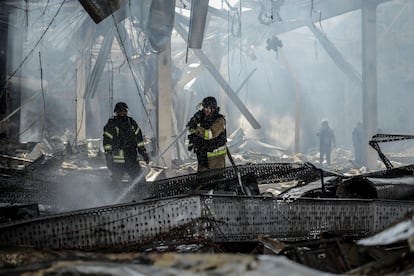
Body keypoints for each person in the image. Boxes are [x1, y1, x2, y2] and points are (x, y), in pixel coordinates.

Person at [103, 102, 150, 184]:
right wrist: (109, 155)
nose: (122, 113)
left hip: (131, 159)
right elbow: (107, 142)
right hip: (119, 162)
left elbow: (139, 140)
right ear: (116, 112)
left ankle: (142, 195)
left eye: (123, 111)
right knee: (117, 183)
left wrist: (144, 154)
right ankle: (112, 196)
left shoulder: (132, 123)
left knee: (140, 182)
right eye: (120, 111)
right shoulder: (112, 124)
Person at [186, 96, 227, 172]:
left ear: (213, 108)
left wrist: (197, 128)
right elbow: (192, 131)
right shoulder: (204, 118)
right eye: (204, 108)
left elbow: (210, 135)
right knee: (202, 180)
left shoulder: (219, 120)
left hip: (215, 159)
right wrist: (193, 123)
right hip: (203, 156)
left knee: (214, 181)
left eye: (207, 108)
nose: (205, 110)